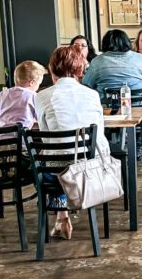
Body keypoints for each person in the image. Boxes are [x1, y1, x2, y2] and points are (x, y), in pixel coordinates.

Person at [35, 45, 109, 240]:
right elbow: (99, 133)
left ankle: (61, 216)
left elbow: (46, 138)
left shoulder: (41, 97)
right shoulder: (92, 95)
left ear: (51, 69)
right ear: (79, 69)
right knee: (63, 159)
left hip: (57, 173)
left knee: (47, 161)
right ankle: (63, 217)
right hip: (90, 169)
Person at [82, 29, 142, 124]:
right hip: (141, 110)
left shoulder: (97, 62)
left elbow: (86, 85)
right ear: (127, 42)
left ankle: (111, 136)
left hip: (107, 113)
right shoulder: (140, 59)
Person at [0, 60, 46, 132]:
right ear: (32, 82)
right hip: (19, 140)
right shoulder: (33, 96)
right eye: (39, 84)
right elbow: (41, 120)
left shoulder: (2, 94)